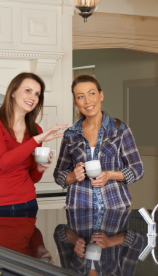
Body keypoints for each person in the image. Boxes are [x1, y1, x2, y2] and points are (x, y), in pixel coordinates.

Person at [0, 72, 67, 216]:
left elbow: (32, 178)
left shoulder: (36, 130)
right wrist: (36, 140)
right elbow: (3, 162)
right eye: (28, 90)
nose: (33, 97)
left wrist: (39, 168)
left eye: (37, 94)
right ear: (13, 92)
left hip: (27, 203)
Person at [53, 75, 144, 209]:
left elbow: (138, 169)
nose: (87, 101)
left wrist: (110, 175)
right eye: (80, 96)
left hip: (115, 210)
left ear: (101, 95)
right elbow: (58, 175)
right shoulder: (70, 134)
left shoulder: (120, 130)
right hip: (79, 211)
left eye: (92, 93)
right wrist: (73, 175)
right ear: (75, 102)